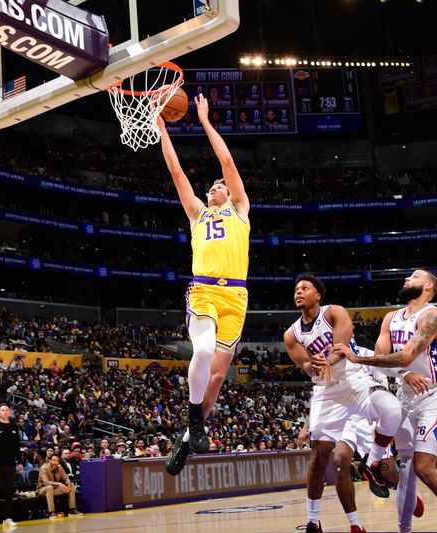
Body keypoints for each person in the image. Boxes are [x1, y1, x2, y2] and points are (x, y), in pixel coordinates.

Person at [335, 270, 437, 533]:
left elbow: (404, 356)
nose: (407, 278)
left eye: (414, 276)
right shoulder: (390, 319)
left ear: (428, 286)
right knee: (407, 466)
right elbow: (386, 362)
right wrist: (405, 374)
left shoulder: (432, 316)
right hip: (405, 397)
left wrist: (359, 359)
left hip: (434, 395)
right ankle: (404, 530)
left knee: (423, 466)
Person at [156, 92, 250, 476]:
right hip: (205, 289)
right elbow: (178, 173)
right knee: (204, 350)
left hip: (237, 296)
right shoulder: (197, 213)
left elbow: (226, 162)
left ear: (229, 193)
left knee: (215, 377)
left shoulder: (240, 209)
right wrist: (162, 128)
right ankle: (195, 421)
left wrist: (206, 121)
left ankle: (186, 440)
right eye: (210, 186)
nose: (213, 187)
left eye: (218, 186)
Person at [284, 274, 405, 533]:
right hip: (326, 391)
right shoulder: (291, 334)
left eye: (305, 288)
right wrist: (313, 366)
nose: (299, 291)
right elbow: (306, 365)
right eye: (296, 289)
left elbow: (340, 344)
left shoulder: (334, 312)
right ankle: (313, 521)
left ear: (318, 295)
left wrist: (327, 359)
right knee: (320, 457)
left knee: (392, 410)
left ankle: (377, 465)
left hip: (353, 381)